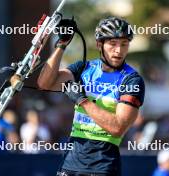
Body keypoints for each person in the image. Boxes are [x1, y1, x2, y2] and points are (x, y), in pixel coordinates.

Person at [38, 16, 145, 176]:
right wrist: (61, 44)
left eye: (124, 44)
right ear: (99, 44)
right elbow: (45, 83)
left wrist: (82, 100)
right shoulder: (83, 68)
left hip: (102, 167)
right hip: (70, 163)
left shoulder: (132, 80)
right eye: (113, 44)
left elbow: (117, 127)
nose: (119, 50)